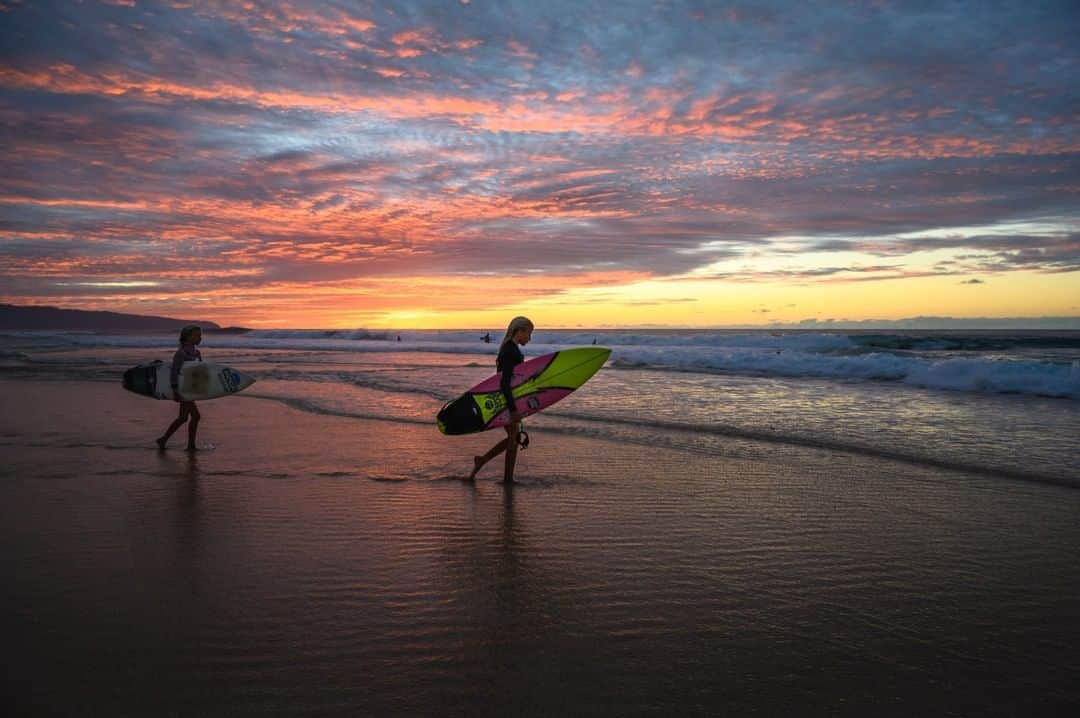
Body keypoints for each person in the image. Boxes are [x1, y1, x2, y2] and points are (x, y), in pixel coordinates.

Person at [469, 316, 533, 483]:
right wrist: (512, 409)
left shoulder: (510, 348)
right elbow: (504, 382)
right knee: (514, 437)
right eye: (529, 333)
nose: (530, 338)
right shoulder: (510, 351)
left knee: (515, 436)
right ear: (520, 331)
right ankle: (507, 479)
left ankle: (482, 461)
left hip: (506, 397)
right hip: (505, 399)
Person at [156, 325, 203, 451]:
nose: (200, 338)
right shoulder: (181, 353)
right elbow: (174, 372)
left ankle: (163, 440)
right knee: (194, 417)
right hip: (183, 389)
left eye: (200, 335)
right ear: (188, 337)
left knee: (183, 418)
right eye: (197, 335)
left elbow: (200, 371)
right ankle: (190, 446)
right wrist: (175, 390)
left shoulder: (197, 352)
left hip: (190, 389)